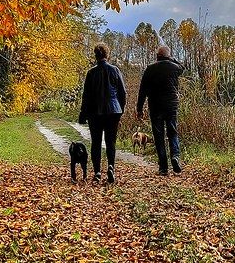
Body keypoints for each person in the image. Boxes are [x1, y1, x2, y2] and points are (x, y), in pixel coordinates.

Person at [78, 43, 127, 184]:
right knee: (111, 141)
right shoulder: (115, 70)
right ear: (107, 54)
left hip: (95, 112)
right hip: (113, 110)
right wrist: (120, 109)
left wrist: (83, 113)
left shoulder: (91, 73)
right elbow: (122, 93)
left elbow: (86, 96)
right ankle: (111, 166)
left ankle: (98, 172)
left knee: (96, 142)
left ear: (95, 55)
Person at [136, 45, 184, 175]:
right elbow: (183, 68)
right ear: (168, 56)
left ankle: (163, 167)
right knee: (172, 132)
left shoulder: (150, 69)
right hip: (171, 106)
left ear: (157, 56)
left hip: (155, 107)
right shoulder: (175, 68)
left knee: (159, 136)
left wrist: (139, 109)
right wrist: (172, 59)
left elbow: (142, 91)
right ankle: (175, 156)